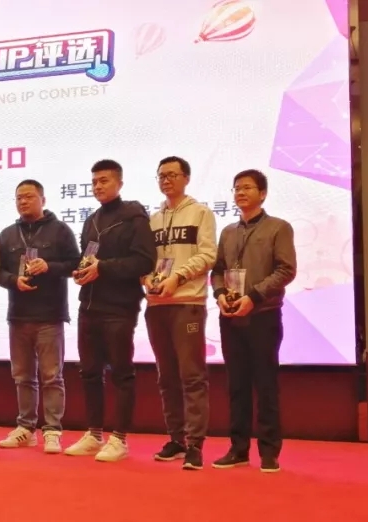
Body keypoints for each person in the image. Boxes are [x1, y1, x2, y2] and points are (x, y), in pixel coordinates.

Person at [64, 159, 156, 462]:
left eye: (104, 180)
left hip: (119, 306)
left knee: (121, 372)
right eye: (94, 182)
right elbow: (86, 258)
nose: (98, 186)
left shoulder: (134, 216)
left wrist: (103, 267)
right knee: (89, 372)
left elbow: (144, 261)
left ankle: (120, 439)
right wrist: (81, 272)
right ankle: (94, 434)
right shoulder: (91, 220)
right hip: (89, 305)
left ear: (119, 183)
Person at [210, 169, 296, 473]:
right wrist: (220, 294)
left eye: (247, 187)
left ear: (262, 193)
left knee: (265, 385)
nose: (240, 193)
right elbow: (218, 270)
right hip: (231, 316)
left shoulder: (278, 228)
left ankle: (269, 452)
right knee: (237, 386)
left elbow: (286, 270)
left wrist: (254, 297)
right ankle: (238, 449)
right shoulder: (228, 232)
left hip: (262, 315)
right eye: (236, 188)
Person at [143, 156, 218, 470]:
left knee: (192, 376)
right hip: (156, 306)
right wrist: (147, 280)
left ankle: (195, 443)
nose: (166, 180)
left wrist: (178, 277)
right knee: (167, 377)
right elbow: (145, 259)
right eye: (161, 175)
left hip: (188, 304)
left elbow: (208, 254)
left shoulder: (200, 213)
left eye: (172, 174)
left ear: (186, 178)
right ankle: (176, 438)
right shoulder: (152, 219)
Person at [0, 180, 80, 453]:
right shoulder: (7, 235)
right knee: (22, 376)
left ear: (43, 199)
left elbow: (76, 264)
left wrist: (49, 266)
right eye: (19, 197)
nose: (23, 201)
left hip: (50, 316)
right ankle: (25, 428)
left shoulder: (60, 230)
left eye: (29, 196)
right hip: (18, 315)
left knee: (52, 376)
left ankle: (52, 430)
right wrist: (13, 280)